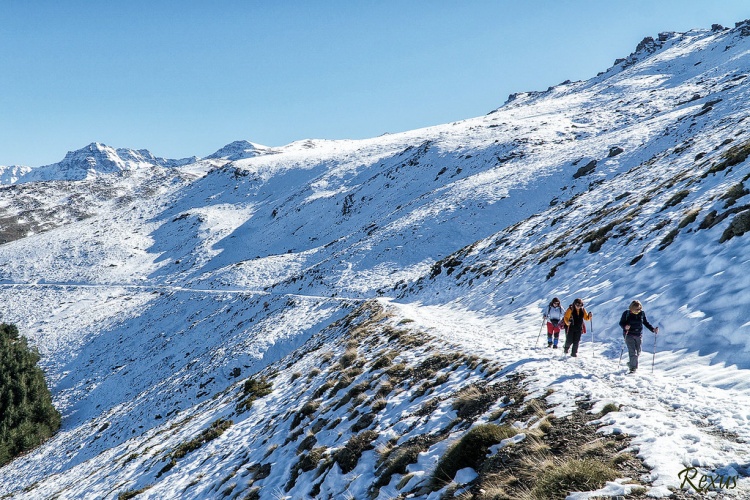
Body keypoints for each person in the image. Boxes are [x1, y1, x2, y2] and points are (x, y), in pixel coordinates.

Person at [619, 300, 658, 373]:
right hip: (629, 334)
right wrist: (625, 326)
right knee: (633, 351)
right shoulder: (627, 313)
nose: (639, 310)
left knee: (638, 352)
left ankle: (631, 363)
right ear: (632, 308)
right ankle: (633, 368)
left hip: (638, 334)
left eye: (640, 308)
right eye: (637, 309)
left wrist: (653, 329)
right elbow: (621, 323)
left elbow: (645, 323)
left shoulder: (642, 314)